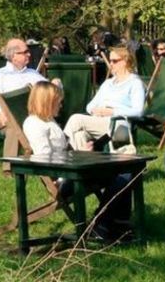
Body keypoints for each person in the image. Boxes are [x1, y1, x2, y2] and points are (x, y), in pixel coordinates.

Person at [23, 81, 133, 240]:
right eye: (58, 102)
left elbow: (62, 151)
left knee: (125, 171)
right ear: (47, 102)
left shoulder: (49, 120)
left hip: (72, 170)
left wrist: (80, 152)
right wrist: (76, 157)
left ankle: (116, 223)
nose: (61, 106)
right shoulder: (34, 124)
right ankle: (102, 224)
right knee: (122, 175)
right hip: (63, 178)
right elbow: (45, 159)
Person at [63, 46, 145, 151]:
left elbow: (139, 111)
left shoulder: (135, 83)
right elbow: (90, 106)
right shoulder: (108, 83)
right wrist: (95, 110)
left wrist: (112, 112)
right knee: (79, 135)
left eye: (114, 61)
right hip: (99, 121)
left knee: (76, 119)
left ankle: (60, 149)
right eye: (110, 60)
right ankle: (85, 163)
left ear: (125, 61)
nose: (110, 64)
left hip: (119, 125)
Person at [0, 38, 47, 118]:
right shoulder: (0, 75)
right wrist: (3, 113)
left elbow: (48, 91)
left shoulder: (32, 73)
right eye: (25, 52)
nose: (29, 54)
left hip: (38, 115)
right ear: (14, 56)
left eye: (28, 51)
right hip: (14, 119)